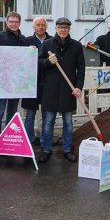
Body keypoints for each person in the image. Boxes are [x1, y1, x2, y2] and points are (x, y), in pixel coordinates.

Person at [37, 17, 85, 163]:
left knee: (68, 122)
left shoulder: (76, 46)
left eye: (66, 27)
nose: (63, 30)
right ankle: (46, 150)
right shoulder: (47, 44)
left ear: (69, 29)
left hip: (68, 90)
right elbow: (38, 63)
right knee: (48, 122)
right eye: (60, 27)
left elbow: (81, 68)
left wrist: (78, 86)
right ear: (56, 28)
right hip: (50, 90)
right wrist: (48, 61)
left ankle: (67, 149)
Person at [0, 12, 29, 142]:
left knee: (12, 112)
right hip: (2, 80)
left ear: (19, 23)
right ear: (6, 22)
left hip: (15, 82)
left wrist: (31, 50)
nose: (13, 24)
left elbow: (26, 58)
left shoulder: (23, 39)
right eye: (11, 21)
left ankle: (7, 140)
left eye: (16, 22)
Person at [21, 16, 52, 146]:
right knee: (30, 115)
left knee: (47, 115)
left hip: (47, 82)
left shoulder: (52, 41)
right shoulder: (26, 41)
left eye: (42, 25)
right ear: (33, 27)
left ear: (46, 27)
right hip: (31, 82)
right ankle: (29, 141)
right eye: (38, 25)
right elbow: (21, 59)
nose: (40, 27)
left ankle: (45, 141)